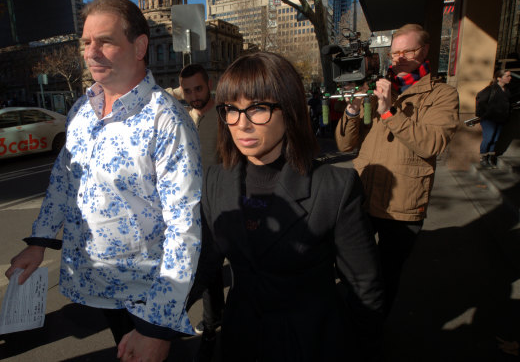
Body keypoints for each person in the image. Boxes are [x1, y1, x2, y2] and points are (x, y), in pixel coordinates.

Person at [4, 0, 202, 362]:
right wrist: (40, 241)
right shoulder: (81, 110)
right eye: (86, 42)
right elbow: (63, 182)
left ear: (139, 46)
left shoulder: (166, 120)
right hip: (95, 282)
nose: (91, 52)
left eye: (105, 41)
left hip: (144, 293)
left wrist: (157, 326)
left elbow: (184, 228)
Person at [193, 52, 385, 361]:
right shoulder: (215, 181)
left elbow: (365, 288)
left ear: (290, 110)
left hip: (309, 343)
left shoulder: (334, 188)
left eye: (258, 108)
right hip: (240, 339)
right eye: (231, 110)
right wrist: (154, 327)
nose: (242, 124)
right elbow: (204, 263)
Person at [335, 24, 460, 314]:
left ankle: (371, 333)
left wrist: (390, 111)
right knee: (354, 270)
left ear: (425, 51)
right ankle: (349, 321)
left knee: (385, 277)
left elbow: (431, 144)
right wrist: (353, 110)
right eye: (394, 53)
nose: (399, 58)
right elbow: (344, 145)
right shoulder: (377, 87)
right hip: (361, 196)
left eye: (408, 51)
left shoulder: (442, 95)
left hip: (402, 204)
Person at [179, 64, 225, 348]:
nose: (194, 95)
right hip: (191, 205)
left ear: (209, 84)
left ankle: (207, 322)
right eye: (187, 90)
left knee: (205, 265)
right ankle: (216, 316)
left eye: (199, 88)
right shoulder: (182, 116)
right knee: (212, 267)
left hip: (220, 204)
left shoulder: (225, 115)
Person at [475, 69, 512, 168]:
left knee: (495, 139)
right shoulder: (491, 89)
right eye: (507, 76)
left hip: (500, 119)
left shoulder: (507, 90)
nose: (510, 78)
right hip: (489, 119)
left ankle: (490, 159)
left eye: (510, 76)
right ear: (499, 78)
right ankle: (483, 158)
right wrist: (487, 113)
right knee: (489, 138)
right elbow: (481, 100)